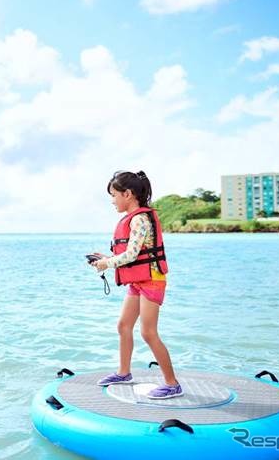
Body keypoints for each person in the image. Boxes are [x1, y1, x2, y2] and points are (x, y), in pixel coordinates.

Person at [90, 171, 182, 399]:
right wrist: (106, 258)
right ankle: (124, 373)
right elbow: (133, 254)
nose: (112, 201)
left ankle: (172, 384)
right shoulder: (133, 218)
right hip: (138, 280)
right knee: (124, 325)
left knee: (148, 332)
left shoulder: (140, 219)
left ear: (127, 194)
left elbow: (131, 255)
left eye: (114, 195)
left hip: (152, 280)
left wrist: (106, 263)